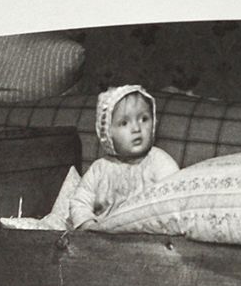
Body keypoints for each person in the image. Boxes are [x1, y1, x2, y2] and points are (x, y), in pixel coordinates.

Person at [68, 85, 180, 229]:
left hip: (147, 233)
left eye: (144, 119)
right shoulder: (99, 169)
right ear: (108, 132)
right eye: (124, 123)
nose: (136, 128)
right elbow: (80, 202)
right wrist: (87, 224)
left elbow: (175, 197)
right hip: (102, 235)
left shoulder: (159, 162)